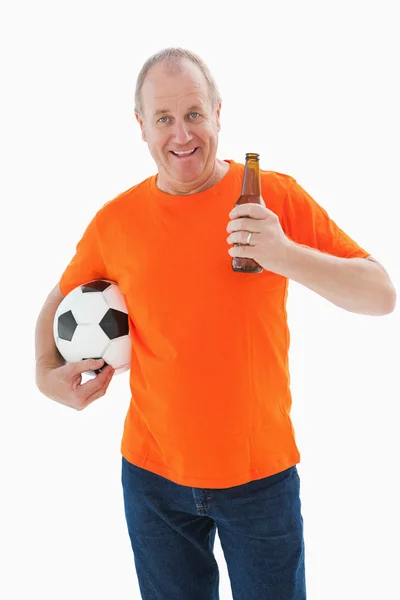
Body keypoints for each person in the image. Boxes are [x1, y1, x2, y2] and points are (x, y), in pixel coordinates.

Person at [35, 47, 396, 600]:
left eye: (195, 114)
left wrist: (283, 253)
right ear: (141, 127)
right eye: (164, 119)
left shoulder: (272, 197)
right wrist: (44, 373)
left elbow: (380, 295)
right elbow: (56, 302)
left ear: (219, 113)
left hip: (260, 481)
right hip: (153, 479)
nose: (182, 135)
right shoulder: (116, 222)